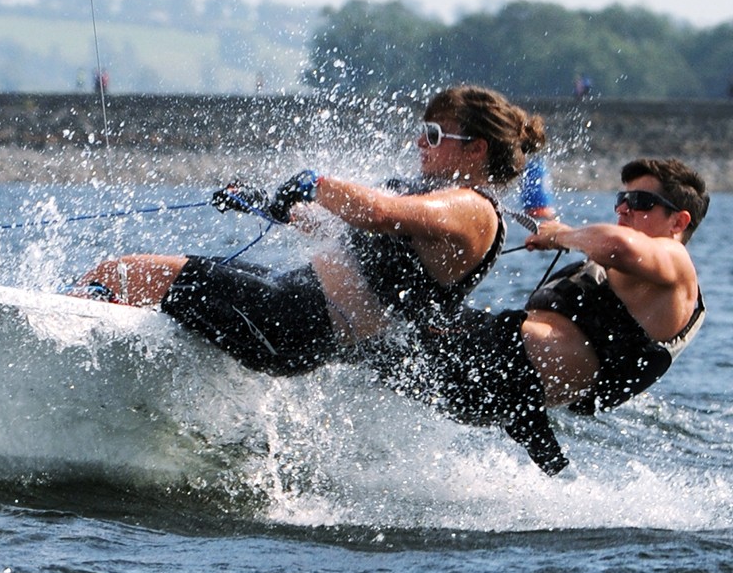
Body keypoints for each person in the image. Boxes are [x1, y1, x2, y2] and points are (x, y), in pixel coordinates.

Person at [77, 85, 547, 377]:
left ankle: (68, 353)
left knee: (122, 273)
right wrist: (269, 207)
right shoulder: (440, 203)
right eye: (423, 131)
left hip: (290, 320)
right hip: (289, 309)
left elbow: (379, 211)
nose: (419, 142)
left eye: (434, 135)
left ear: (476, 150)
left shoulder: (471, 208)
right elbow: (339, 228)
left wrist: (318, 183)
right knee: (143, 284)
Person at [377, 158, 707, 474]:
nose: (623, 208)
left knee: (377, 310)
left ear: (678, 222)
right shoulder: (632, 273)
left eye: (640, 202)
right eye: (622, 199)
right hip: (496, 374)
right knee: (383, 305)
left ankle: (362, 204)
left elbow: (617, 245)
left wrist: (560, 235)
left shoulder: (675, 261)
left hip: (497, 371)